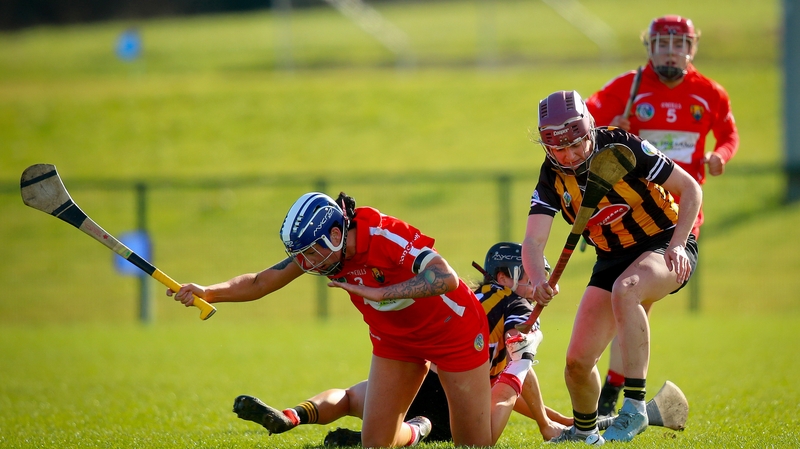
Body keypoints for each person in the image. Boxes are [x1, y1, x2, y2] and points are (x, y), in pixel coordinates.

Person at [168, 192, 493, 447]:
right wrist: (209, 291)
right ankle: (417, 430)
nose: (306, 263)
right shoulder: (322, 252)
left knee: (472, 445)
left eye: (310, 253)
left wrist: (384, 294)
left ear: (336, 233)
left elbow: (445, 278)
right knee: (376, 443)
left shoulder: (385, 235)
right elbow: (260, 282)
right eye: (301, 255)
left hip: (456, 332)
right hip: (396, 341)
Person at [230, 242, 572, 445]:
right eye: (528, 276)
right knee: (516, 369)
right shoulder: (516, 303)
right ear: (503, 277)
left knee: (350, 398)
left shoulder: (470, 296)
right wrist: (527, 351)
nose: (536, 283)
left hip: (422, 376)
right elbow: (511, 367)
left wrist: (559, 419)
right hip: (462, 394)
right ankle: (416, 431)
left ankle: (292, 416)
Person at [522, 90, 702, 444]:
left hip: (662, 243)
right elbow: (532, 242)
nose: (569, 157)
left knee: (628, 290)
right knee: (576, 363)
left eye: (576, 145)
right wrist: (538, 279)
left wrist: (680, 244)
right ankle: (586, 434)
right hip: (611, 258)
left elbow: (690, 188)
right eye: (559, 149)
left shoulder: (623, 147)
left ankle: (633, 407)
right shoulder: (552, 176)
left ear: (589, 128)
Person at [585, 15, 739, 416]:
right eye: (663, 44)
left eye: (680, 44)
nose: (671, 51)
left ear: (692, 48)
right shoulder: (628, 87)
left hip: (679, 219)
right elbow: (586, 118)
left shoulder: (709, 93)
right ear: (649, 47)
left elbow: (728, 134)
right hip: (635, 215)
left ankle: (613, 400)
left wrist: (719, 157)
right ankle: (613, 401)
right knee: (633, 301)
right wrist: (608, 127)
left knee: (633, 298)